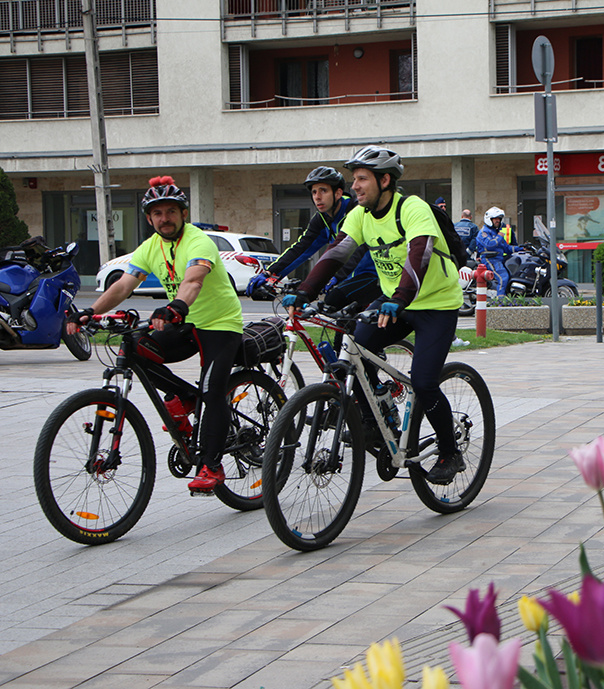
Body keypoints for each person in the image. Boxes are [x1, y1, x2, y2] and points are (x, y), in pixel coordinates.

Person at [282, 146, 466, 485]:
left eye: (362, 179)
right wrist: (306, 291)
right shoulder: (361, 215)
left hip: (436, 304)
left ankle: (449, 451)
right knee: (356, 350)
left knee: (424, 381)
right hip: (394, 301)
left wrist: (400, 298)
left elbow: (420, 254)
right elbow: (336, 253)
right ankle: (373, 421)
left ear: (385, 181)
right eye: (354, 179)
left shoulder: (412, 208)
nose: (355, 186)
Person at [66, 176, 244, 492]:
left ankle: (211, 466)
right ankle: (187, 397)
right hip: (184, 323)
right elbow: (123, 285)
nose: (165, 218)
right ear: (149, 219)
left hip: (219, 323)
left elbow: (193, 280)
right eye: (157, 213)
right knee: (137, 347)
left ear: (183, 214)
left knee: (213, 388)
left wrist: (175, 306)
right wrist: (90, 311)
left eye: (171, 211)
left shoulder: (198, 241)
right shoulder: (150, 247)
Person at [246, 167, 381, 310]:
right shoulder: (322, 219)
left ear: (338, 193)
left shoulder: (356, 210)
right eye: (314, 192)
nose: (317, 197)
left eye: (323, 191)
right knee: (333, 311)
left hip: (374, 274)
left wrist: (334, 276)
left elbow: (356, 251)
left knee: (334, 300)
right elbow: (301, 248)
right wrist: (270, 273)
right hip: (348, 278)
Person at [476, 207, 516, 295]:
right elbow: (489, 244)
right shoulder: (484, 232)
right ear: (489, 219)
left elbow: (506, 248)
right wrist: (499, 236)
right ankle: (500, 299)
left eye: (499, 219)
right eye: (495, 219)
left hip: (499, 259)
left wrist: (522, 248)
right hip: (490, 259)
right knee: (503, 277)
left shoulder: (496, 232)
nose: (498, 221)